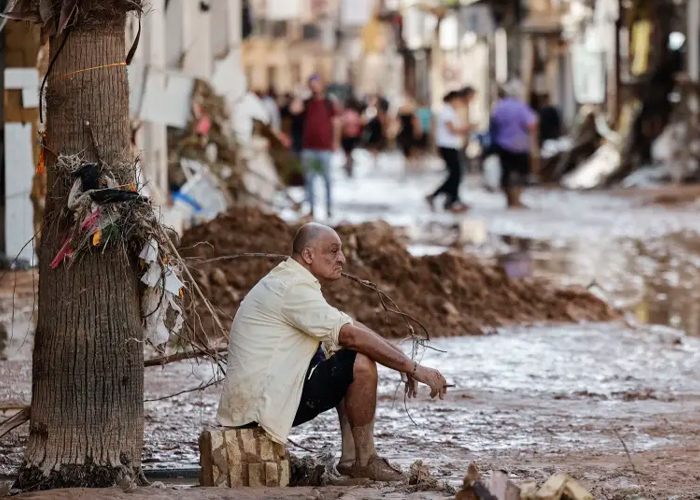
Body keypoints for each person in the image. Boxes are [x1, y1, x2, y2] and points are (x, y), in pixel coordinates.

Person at [217, 223, 449, 481]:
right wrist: (413, 369)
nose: (342, 258)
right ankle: (363, 460)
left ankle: (351, 460)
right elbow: (351, 335)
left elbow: (348, 326)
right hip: (259, 409)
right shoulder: (293, 289)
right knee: (358, 362)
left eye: (341, 251)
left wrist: (404, 362)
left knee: (344, 353)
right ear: (308, 255)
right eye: (333, 251)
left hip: (255, 403)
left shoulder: (291, 281)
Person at [490, 80, 538, 209]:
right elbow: (531, 124)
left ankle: (509, 201)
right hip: (520, 145)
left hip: (503, 144)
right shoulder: (521, 107)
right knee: (521, 173)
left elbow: (494, 123)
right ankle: (517, 200)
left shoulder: (499, 106)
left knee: (506, 172)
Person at [425, 88, 475, 213]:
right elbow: (453, 129)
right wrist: (468, 128)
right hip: (447, 146)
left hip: (452, 146)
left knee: (456, 174)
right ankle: (437, 196)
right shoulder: (446, 112)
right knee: (455, 174)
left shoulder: (452, 111)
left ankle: (451, 200)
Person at [300, 75, 340, 218]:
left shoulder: (329, 103)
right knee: (309, 180)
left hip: (325, 148)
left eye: (316, 83)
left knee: (327, 180)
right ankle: (311, 208)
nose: (314, 86)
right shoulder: (307, 103)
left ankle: (329, 208)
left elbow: (336, 123)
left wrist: (336, 141)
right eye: (311, 84)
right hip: (309, 147)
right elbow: (294, 111)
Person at [340, 97, 363, 177]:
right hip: (353, 136)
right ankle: (349, 164)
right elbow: (359, 124)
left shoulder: (345, 114)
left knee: (347, 153)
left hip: (346, 136)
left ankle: (348, 164)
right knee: (349, 152)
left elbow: (342, 124)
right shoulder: (355, 114)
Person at [396, 98, 420, 164]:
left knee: (411, 145)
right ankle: (408, 159)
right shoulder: (401, 110)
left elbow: (415, 121)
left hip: (409, 130)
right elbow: (397, 121)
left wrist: (416, 129)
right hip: (404, 130)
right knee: (405, 145)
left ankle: (410, 159)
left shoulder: (412, 110)